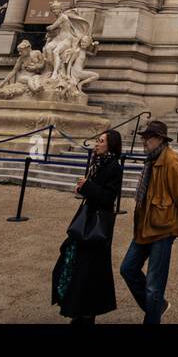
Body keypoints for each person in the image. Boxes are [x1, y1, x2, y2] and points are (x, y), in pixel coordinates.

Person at [119, 120, 178, 324]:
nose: (144, 141)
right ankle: (157, 306)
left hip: (163, 229)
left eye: (148, 138)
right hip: (145, 226)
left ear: (160, 139)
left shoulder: (171, 161)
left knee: (154, 285)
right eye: (143, 137)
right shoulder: (151, 158)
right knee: (127, 268)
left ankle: (152, 315)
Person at [52, 130, 123, 324]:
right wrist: (84, 187)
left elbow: (108, 198)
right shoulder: (98, 163)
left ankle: (84, 314)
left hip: (97, 227)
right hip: (87, 221)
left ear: (111, 145)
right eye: (97, 141)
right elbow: (95, 191)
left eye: (100, 141)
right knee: (73, 264)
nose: (96, 144)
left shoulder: (114, 167)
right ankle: (78, 310)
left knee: (89, 273)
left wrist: (88, 186)